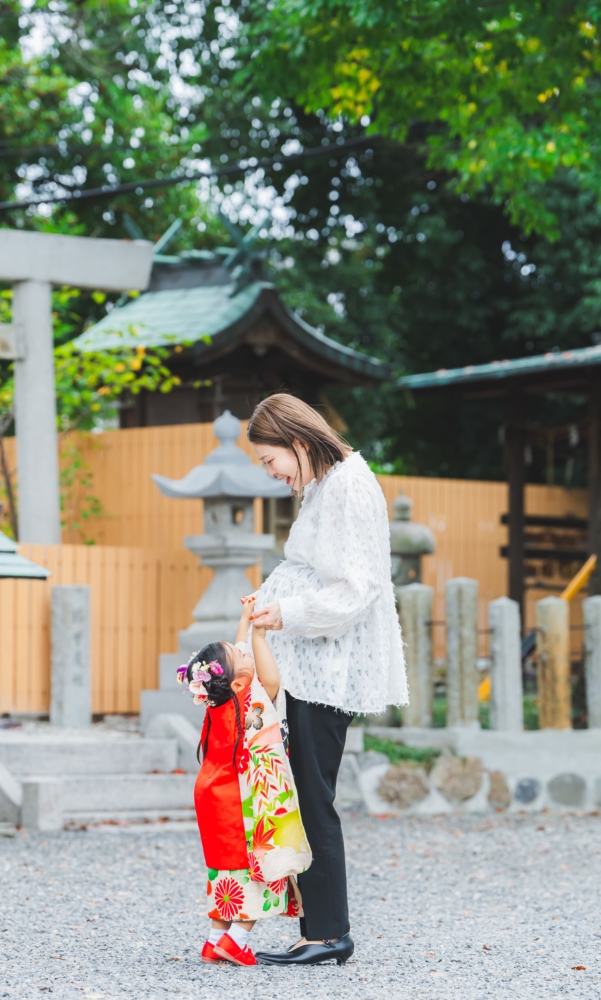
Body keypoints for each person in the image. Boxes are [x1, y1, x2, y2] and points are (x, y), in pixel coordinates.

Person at [246, 393, 408, 967]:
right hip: (310, 661)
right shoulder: (323, 486)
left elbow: (355, 589)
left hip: (328, 663)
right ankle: (317, 928)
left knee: (313, 795)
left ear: (296, 440)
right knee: (303, 792)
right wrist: (271, 605)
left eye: (271, 461)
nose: (272, 474)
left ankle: (330, 932)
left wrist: (284, 613)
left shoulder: (347, 486)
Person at [179, 596, 313, 967]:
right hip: (241, 799)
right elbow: (271, 679)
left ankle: (214, 939)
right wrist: (259, 634)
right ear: (239, 681)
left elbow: (238, 661)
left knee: (224, 867)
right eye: (242, 658)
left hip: (212, 793)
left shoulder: (218, 700)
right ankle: (237, 940)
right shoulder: (250, 705)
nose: (246, 654)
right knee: (258, 865)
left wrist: (243, 620)